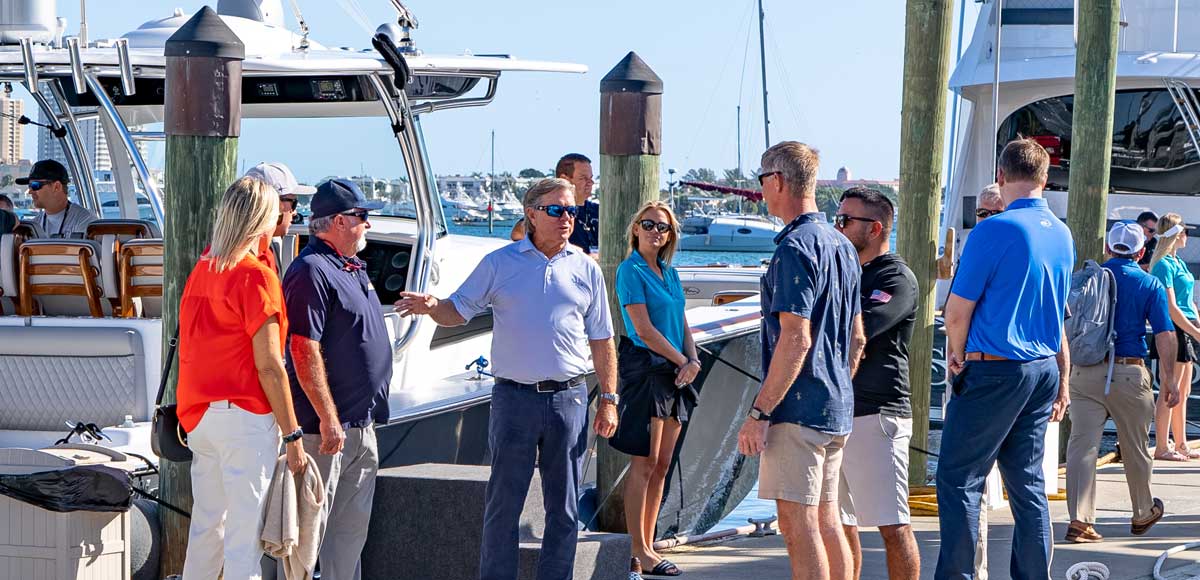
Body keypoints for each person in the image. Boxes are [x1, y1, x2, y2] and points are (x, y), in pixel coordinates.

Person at [395, 177, 619, 580]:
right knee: (503, 506)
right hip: (514, 400)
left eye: (571, 211)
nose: (567, 218)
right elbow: (457, 311)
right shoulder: (500, 263)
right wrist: (432, 306)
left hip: (569, 399)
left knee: (564, 508)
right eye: (556, 210)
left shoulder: (586, 268)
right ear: (531, 214)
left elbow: (602, 340)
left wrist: (609, 399)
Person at [938, 138, 1074, 580]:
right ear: (1045, 178)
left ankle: (958, 574)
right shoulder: (1062, 233)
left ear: (1000, 175)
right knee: (1027, 483)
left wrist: (957, 354)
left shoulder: (993, 230)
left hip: (996, 367)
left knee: (959, 478)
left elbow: (956, 311)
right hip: (1042, 368)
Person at [736, 142, 866, 580]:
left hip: (798, 409)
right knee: (828, 519)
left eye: (761, 180)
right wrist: (836, 383)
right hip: (836, 406)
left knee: (798, 523)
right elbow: (857, 338)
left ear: (777, 180)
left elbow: (795, 338)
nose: (761, 191)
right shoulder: (842, 245)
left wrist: (760, 412)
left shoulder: (795, 247)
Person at [175, 177, 308, 580]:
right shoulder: (255, 276)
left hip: (200, 417)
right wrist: (293, 435)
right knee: (243, 538)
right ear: (263, 220)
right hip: (244, 419)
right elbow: (269, 365)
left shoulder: (203, 269)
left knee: (207, 528)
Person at [283, 178, 388, 580]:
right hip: (323, 431)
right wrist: (328, 417)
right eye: (362, 216)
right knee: (304, 542)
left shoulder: (351, 266)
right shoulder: (311, 270)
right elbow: (302, 348)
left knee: (349, 540)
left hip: (360, 426)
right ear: (340, 221)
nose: (368, 224)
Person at [1064, 222, 1178, 543]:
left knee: (1082, 447)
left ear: (1108, 249)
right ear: (1141, 252)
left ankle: (1080, 521)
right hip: (1128, 373)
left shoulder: (1088, 278)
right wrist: (1170, 379)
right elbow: (1165, 335)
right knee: (1135, 447)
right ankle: (1142, 512)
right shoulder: (1149, 283)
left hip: (1084, 372)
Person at [832, 187, 919, 580]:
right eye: (837, 219)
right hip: (838, 413)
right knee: (838, 523)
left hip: (877, 415)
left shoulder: (895, 278)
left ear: (875, 228)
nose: (838, 227)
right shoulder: (847, 273)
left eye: (845, 220)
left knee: (893, 526)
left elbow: (860, 331)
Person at [614, 201, 699, 577]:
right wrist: (682, 362)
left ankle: (649, 543)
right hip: (649, 371)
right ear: (636, 228)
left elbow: (681, 320)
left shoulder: (669, 272)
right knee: (644, 462)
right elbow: (644, 330)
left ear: (670, 235)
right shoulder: (629, 270)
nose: (655, 232)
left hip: (676, 373)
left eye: (662, 227)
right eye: (648, 224)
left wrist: (693, 359)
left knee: (663, 464)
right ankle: (638, 549)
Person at [1148, 213, 1200, 461]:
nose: (1187, 236)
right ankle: (1161, 445)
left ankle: (1181, 443)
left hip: (1186, 326)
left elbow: (1188, 301)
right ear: (1176, 234)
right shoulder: (1163, 265)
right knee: (1170, 390)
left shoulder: (1178, 263)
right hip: (1174, 329)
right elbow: (1170, 307)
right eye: (1184, 231)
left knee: (1184, 390)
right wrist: (1195, 331)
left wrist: (1197, 324)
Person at [509, 154, 597, 251]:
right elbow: (517, 233)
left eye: (591, 178)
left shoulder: (599, 212)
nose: (590, 183)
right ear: (564, 179)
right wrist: (576, 254)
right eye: (583, 178)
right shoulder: (553, 211)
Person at [243, 162, 314, 274]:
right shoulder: (258, 268)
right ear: (273, 203)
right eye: (293, 203)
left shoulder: (264, 253)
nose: (294, 212)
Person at [18, 159, 95, 238]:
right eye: (29, 186)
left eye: (35, 185)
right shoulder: (33, 226)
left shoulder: (85, 220)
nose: (30, 191)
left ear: (57, 187)